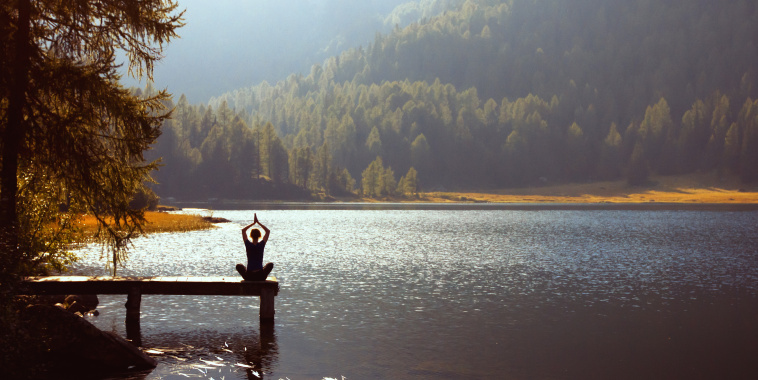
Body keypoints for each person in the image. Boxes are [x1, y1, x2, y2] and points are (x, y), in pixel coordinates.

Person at [236, 213, 274, 281]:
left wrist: (253, 223)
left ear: (250, 236)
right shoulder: (261, 244)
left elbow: (243, 230)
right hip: (260, 276)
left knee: (238, 266)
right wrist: (258, 223)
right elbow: (268, 231)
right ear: (260, 235)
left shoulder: (248, 244)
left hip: (249, 276)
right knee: (270, 264)